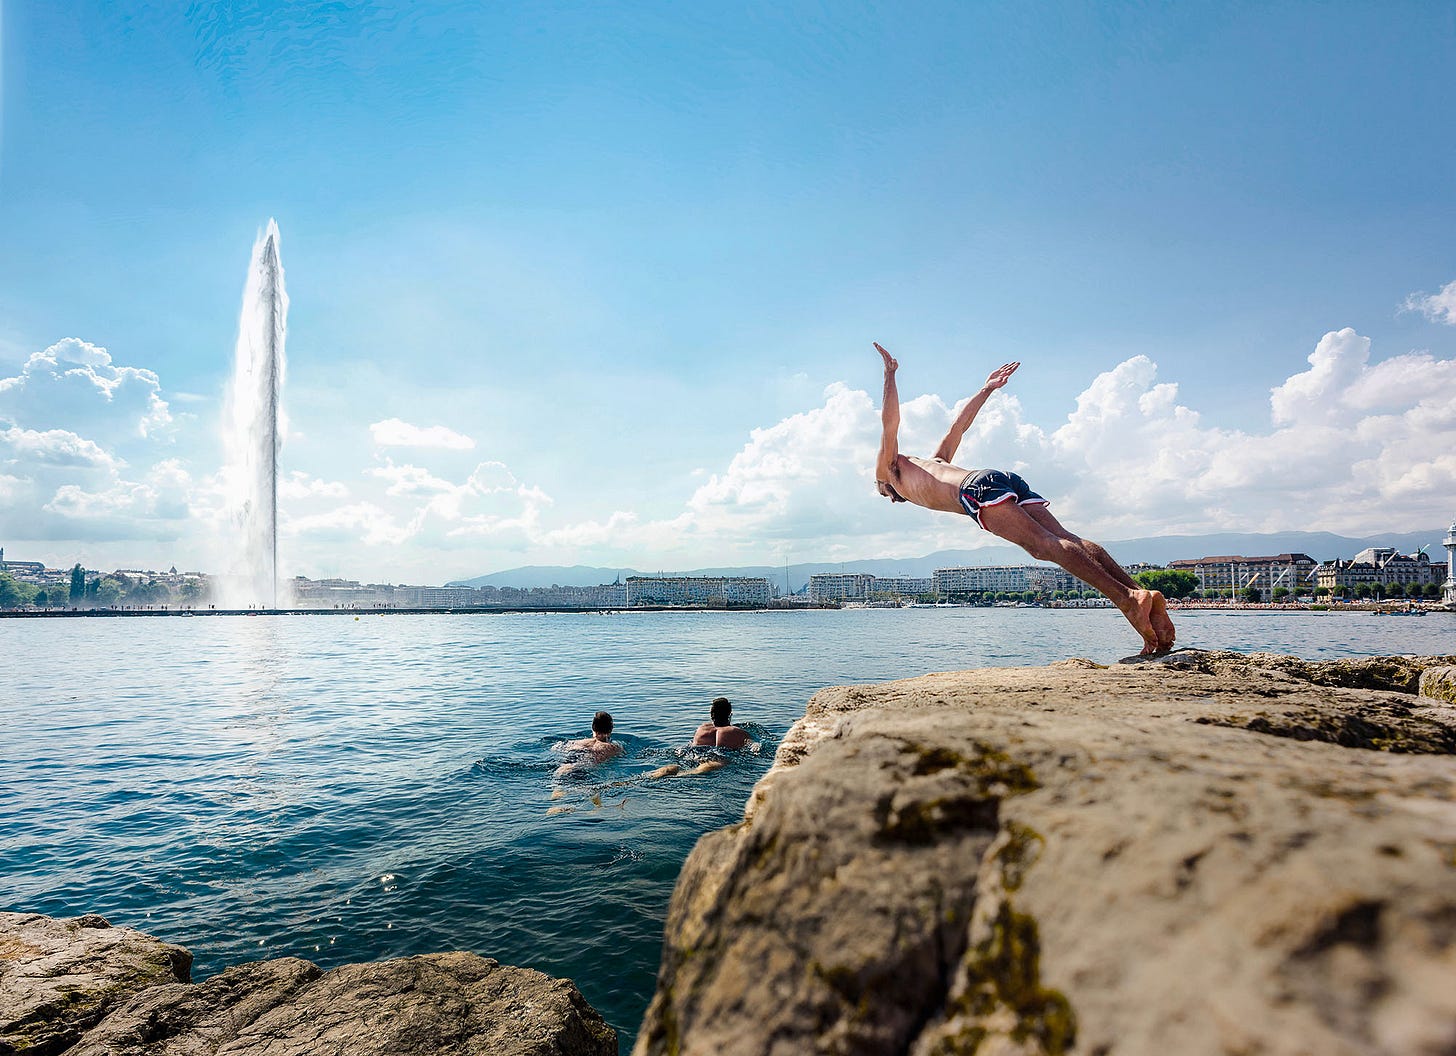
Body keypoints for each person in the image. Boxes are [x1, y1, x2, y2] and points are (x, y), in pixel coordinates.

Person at [873, 342, 1176, 655]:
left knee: (1045, 546)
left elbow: (889, 423)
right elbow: (958, 427)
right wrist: (985, 389)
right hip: (998, 478)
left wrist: (890, 375)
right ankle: (1142, 593)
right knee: (1066, 538)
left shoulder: (891, 472)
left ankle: (1128, 600)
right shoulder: (934, 463)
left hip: (977, 491)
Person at [554, 711, 624, 777]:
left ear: (592, 728)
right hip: (581, 771)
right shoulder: (614, 748)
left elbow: (557, 748)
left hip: (564, 765)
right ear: (611, 729)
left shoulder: (577, 742)